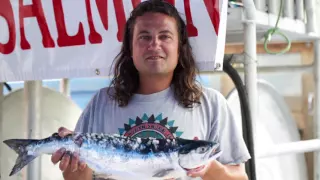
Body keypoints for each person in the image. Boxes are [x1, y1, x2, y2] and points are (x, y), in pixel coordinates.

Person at [51, 0, 251, 179]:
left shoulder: (211, 103)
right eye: (144, 37)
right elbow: (80, 178)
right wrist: (72, 171)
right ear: (130, 48)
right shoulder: (102, 102)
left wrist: (209, 168)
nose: (154, 44)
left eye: (165, 36)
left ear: (180, 48)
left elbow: (240, 177)